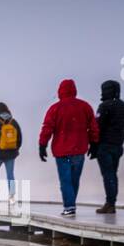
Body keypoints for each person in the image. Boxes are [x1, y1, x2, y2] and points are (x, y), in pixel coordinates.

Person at [38, 78, 99, 216]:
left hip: (62, 151)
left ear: (60, 91)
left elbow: (47, 128)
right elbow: (93, 127)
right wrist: (94, 144)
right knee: (74, 180)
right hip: (79, 149)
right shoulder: (85, 107)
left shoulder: (55, 109)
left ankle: (69, 206)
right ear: (74, 90)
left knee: (65, 180)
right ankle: (71, 204)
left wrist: (42, 145)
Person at [93, 80, 124, 215]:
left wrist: (94, 145)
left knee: (108, 175)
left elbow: (97, 127)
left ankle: (110, 204)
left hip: (105, 146)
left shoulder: (104, 106)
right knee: (113, 174)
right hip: (118, 145)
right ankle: (112, 203)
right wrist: (119, 138)